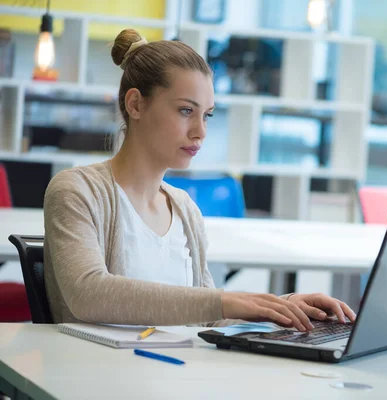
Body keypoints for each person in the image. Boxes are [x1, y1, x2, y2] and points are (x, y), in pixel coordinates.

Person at [43, 29, 355, 331]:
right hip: (102, 379)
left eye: (206, 115)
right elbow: (88, 295)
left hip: (179, 376)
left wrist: (280, 306)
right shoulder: (76, 191)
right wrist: (224, 301)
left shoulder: (184, 208)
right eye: (185, 111)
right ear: (135, 104)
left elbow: (207, 318)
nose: (200, 132)